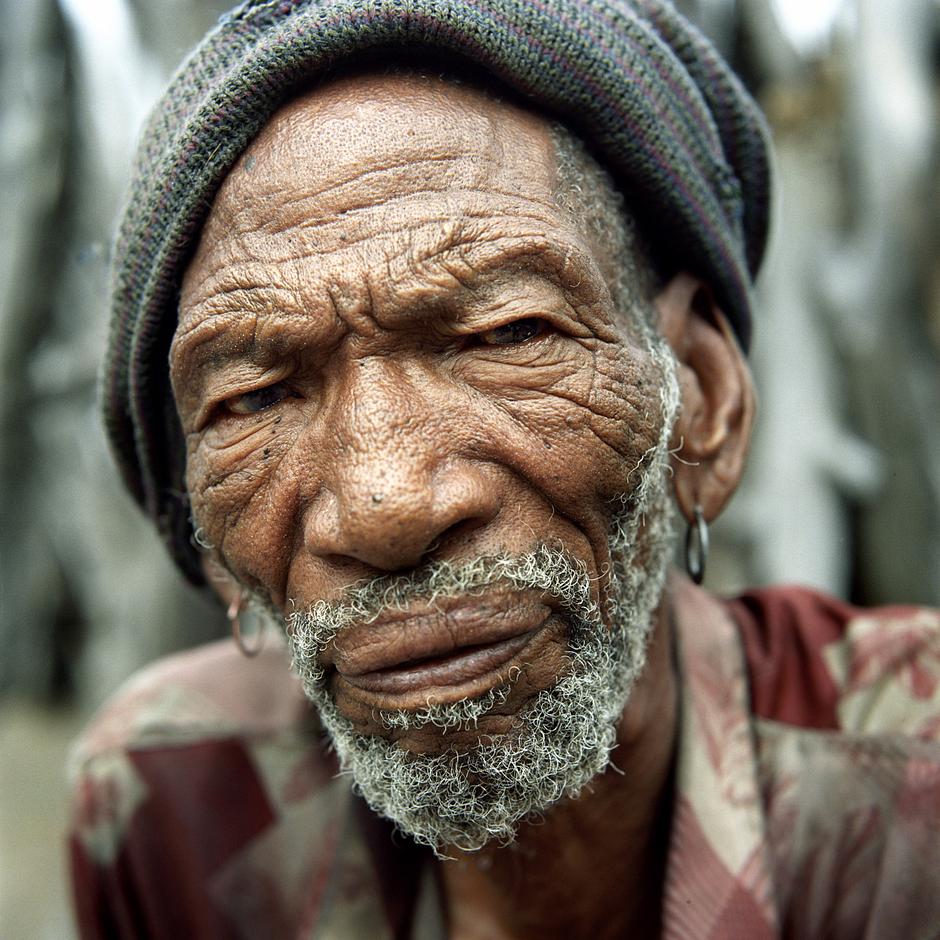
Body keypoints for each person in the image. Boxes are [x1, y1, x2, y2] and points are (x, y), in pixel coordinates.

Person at [68, 1, 940, 937]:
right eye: (254, 399)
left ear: (706, 404)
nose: (384, 505)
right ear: (207, 545)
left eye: (505, 334)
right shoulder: (167, 804)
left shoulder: (913, 815)